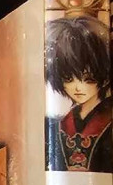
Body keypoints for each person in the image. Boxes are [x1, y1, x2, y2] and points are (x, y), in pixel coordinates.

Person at [44, 12, 112, 173]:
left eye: (88, 79)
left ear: (104, 78)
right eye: (68, 79)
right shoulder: (60, 122)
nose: (77, 88)